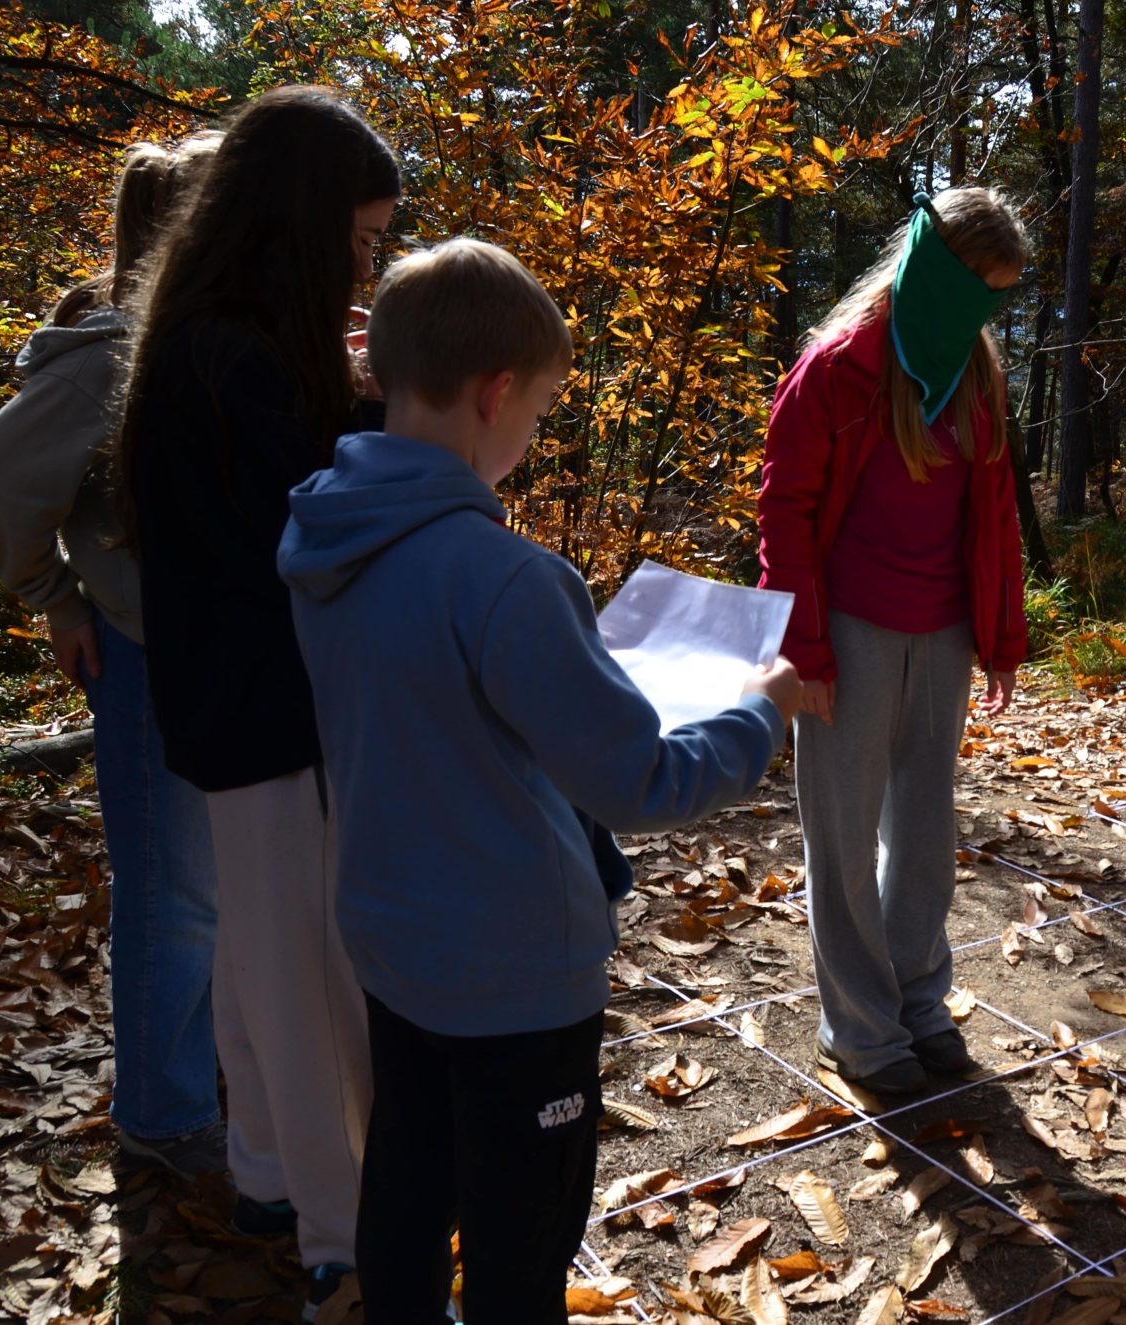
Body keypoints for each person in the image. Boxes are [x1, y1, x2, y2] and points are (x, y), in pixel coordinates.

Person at [278, 237, 799, 1323]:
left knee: (407, 1181)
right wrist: (759, 712)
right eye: (543, 408)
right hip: (515, 968)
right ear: (496, 392)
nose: (534, 431)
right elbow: (641, 784)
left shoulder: (322, 535)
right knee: (522, 1236)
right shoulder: (506, 576)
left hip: (390, 932)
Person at [117, 85, 400, 1317]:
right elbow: (310, 527)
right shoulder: (232, 361)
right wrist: (396, 412)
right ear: (301, 224)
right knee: (311, 990)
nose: (367, 265)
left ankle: (269, 1178)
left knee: (254, 960)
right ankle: (346, 1242)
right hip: (272, 713)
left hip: (227, 708)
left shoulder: (206, 338)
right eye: (360, 238)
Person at [758, 187, 1029, 1098]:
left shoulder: (976, 374)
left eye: (999, 297)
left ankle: (918, 1000)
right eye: (978, 289)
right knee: (842, 838)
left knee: (922, 833)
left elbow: (994, 513)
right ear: (937, 271)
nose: (983, 312)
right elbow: (785, 515)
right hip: (848, 633)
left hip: (942, 633)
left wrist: (1000, 636)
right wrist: (804, 653)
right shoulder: (836, 370)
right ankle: (861, 1029)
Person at [0, 133, 224, 1175]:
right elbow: (2, 479)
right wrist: (55, 597)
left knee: (224, 889)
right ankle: (164, 1116)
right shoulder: (109, 355)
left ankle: (207, 1075)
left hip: (229, 663)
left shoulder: (219, 340)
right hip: (143, 662)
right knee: (174, 895)